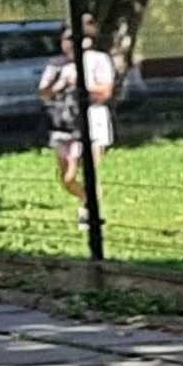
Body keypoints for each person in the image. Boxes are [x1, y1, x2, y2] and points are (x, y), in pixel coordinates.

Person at [38, 14, 116, 229]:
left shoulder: (99, 59)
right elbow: (43, 93)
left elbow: (105, 91)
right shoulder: (55, 65)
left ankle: (92, 216)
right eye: (67, 39)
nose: (70, 44)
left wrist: (81, 88)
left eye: (76, 39)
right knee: (68, 177)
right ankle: (86, 199)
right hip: (64, 123)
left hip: (92, 118)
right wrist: (60, 84)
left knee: (91, 170)